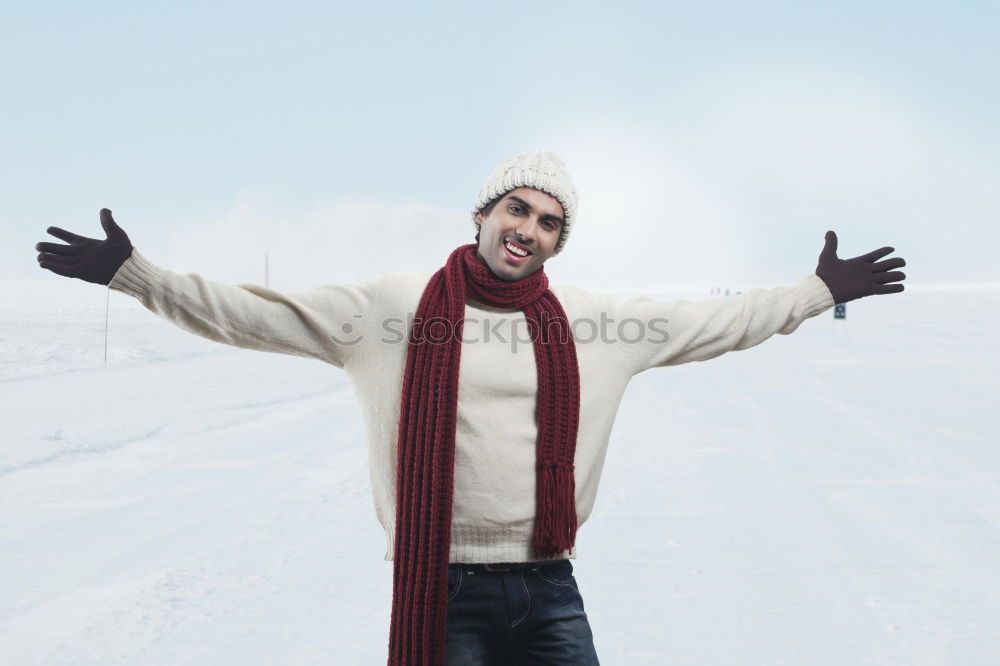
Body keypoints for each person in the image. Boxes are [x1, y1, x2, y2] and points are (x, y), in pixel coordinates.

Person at [35, 150, 906, 665]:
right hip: (441, 591)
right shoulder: (390, 309)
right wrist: (136, 275)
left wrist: (813, 290)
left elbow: (723, 320)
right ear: (484, 212)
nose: (527, 228)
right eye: (516, 208)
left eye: (550, 222)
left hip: (550, 586)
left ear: (560, 242)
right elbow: (249, 313)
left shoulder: (601, 325)